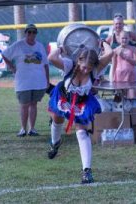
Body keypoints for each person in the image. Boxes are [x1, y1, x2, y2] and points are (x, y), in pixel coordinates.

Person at [47, 41, 113, 184]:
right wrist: (60, 48)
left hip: (82, 101)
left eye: (89, 69)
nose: (85, 71)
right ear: (79, 60)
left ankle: (87, 171)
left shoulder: (95, 69)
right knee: (57, 120)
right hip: (64, 96)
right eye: (83, 67)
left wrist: (103, 42)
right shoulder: (69, 65)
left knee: (82, 132)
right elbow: (51, 58)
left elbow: (109, 53)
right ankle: (55, 143)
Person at [2, 24, 49, 137]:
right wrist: (12, 67)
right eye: (29, 32)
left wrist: (47, 80)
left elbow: (46, 64)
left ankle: (32, 129)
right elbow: (4, 55)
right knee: (24, 105)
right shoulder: (19, 45)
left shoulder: (40, 46)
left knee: (34, 104)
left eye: (34, 32)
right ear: (25, 33)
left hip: (38, 81)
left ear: (36, 33)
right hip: (23, 82)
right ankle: (23, 129)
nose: (31, 34)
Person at [112, 31, 136, 99]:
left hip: (130, 76)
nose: (124, 40)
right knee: (121, 98)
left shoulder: (133, 48)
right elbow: (114, 65)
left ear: (129, 39)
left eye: (126, 38)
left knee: (131, 97)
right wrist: (112, 77)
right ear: (119, 39)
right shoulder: (115, 50)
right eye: (123, 38)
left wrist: (124, 56)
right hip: (119, 77)